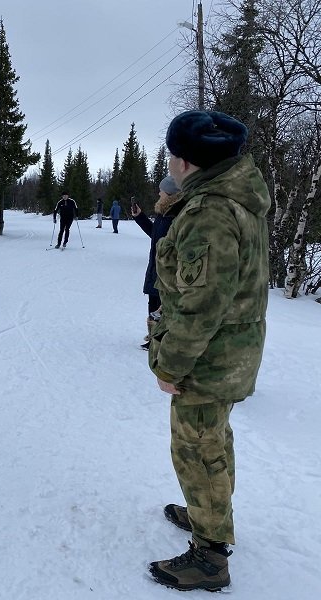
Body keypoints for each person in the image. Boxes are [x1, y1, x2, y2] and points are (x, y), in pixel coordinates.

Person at [147, 110, 270, 592]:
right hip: (228, 352)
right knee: (213, 440)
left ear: (186, 162)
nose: (170, 163)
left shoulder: (212, 212)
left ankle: (210, 556)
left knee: (197, 449)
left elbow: (201, 305)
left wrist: (169, 364)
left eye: (174, 155)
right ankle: (209, 514)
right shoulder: (233, 197)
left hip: (209, 357)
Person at [131, 175, 180, 350]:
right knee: (153, 303)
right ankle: (154, 338)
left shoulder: (177, 216)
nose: (159, 193)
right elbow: (155, 234)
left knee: (163, 306)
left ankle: (163, 341)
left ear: (170, 194)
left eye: (162, 191)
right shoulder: (162, 213)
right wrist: (140, 217)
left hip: (167, 272)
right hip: (155, 269)